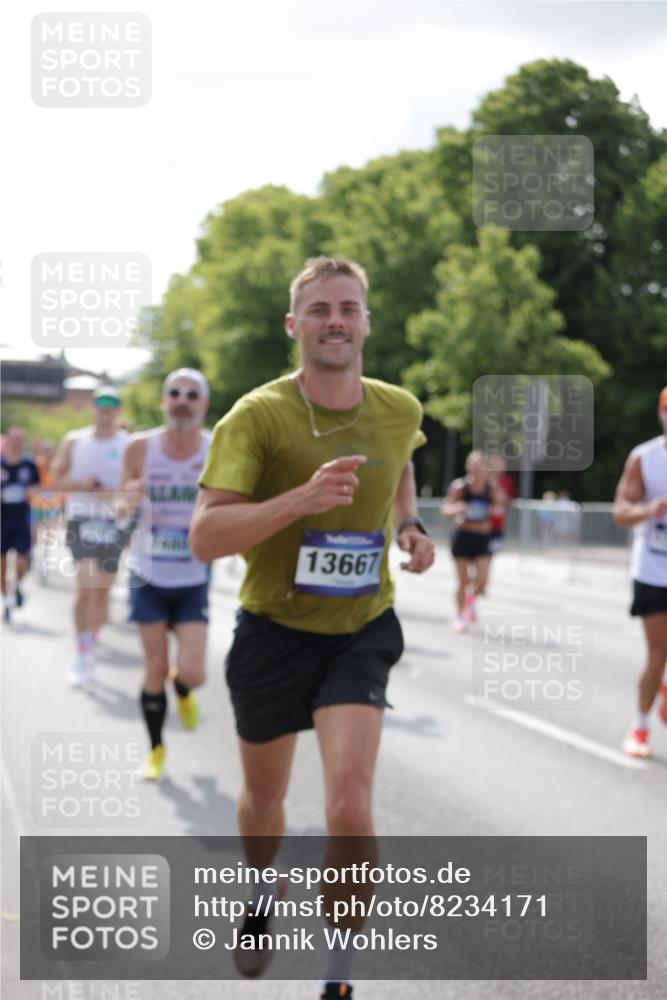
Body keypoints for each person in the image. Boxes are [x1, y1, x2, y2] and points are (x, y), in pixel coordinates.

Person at [190, 256, 435, 1000]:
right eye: (320, 309)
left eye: (348, 308)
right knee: (264, 802)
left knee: (349, 805)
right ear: (294, 326)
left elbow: (396, 465)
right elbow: (206, 536)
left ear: (366, 322)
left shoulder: (400, 407)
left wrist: (410, 524)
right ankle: (262, 889)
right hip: (271, 631)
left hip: (361, 627)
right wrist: (296, 502)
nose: (336, 320)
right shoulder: (257, 415)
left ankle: (337, 977)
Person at [119, 369, 212, 781]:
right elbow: (120, 510)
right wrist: (128, 501)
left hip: (193, 577)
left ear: (203, 405)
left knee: (192, 671)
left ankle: (185, 689)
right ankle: (156, 750)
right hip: (148, 574)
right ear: (163, 400)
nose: (182, 400)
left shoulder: (216, 449)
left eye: (192, 394)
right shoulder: (140, 447)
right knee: (154, 668)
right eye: (174, 392)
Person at [52, 386, 129, 686]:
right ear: (93, 407)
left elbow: (139, 482)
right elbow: (57, 479)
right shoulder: (74, 440)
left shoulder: (129, 443)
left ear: (118, 409)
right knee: (85, 589)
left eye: (112, 403)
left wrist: (119, 495)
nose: (105, 407)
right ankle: (83, 653)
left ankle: (92, 640)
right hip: (81, 519)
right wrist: (81, 483)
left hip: (113, 523)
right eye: (101, 402)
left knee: (101, 592)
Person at [613, 386, 667, 759]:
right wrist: (649, 510)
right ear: (662, 414)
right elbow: (620, 512)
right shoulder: (644, 458)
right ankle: (640, 726)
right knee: (659, 652)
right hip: (653, 569)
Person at [441, 450, 506, 632]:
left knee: (482, 581)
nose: (476, 469)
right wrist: (457, 508)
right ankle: (459, 616)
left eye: (480, 465)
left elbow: (501, 506)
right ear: (468, 466)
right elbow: (445, 509)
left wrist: (494, 509)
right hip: (463, 536)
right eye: (473, 465)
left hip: (482, 538)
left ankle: (470, 602)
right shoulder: (460, 487)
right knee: (462, 582)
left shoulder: (491, 487)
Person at [1, 427, 41, 622]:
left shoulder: (29, 464)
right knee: (1, 566)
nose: (16, 443)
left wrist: (30, 492)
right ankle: (6, 599)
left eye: (20, 440)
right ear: (7, 441)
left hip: (21, 520)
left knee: (21, 562)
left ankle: (16, 586)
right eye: (13, 439)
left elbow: (37, 486)